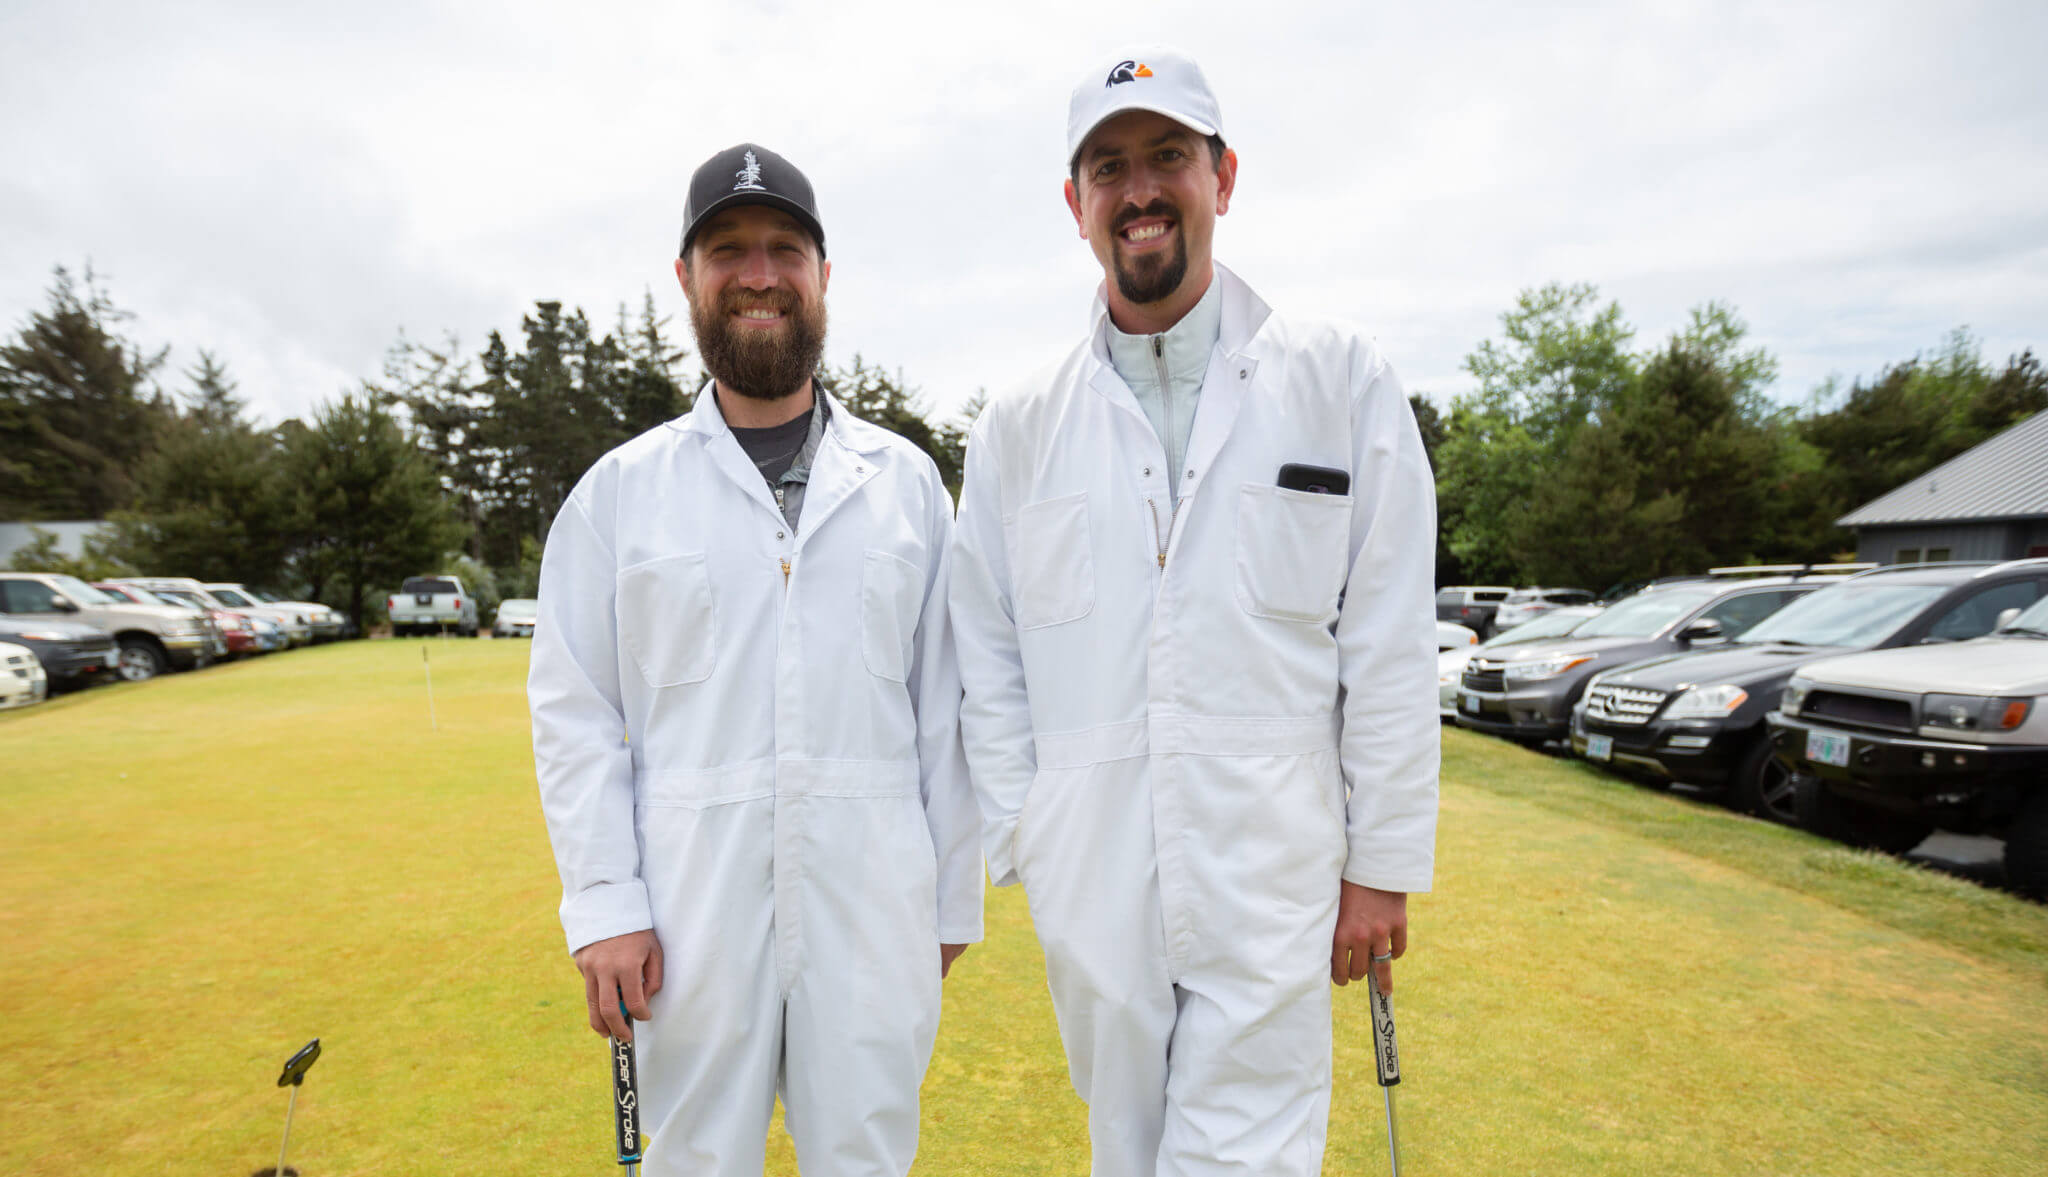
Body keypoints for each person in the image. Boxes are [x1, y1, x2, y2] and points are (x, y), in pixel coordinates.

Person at [948, 49, 1439, 1177]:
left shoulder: (1338, 378)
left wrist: (1381, 860)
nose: (1140, 190)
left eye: (1167, 155)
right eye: (1108, 167)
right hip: (1091, 872)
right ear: (1074, 202)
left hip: (1272, 863)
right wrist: (1030, 832)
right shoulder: (1018, 425)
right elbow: (986, 648)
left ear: (1222, 175)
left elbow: (1389, 641)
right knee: (1122, 1149)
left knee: (1248, 1156)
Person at [529, 142, 982, 1177]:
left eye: (785, 248)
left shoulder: (908, 486)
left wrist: (950, 901)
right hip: (685, 915)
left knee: (866, 1159)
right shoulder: (618, 495)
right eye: (727, 250)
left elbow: (946, 709)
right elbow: (575, 712)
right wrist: (604, 906)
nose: (759, 274)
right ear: (686, 277)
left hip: (873, 909)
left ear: (823, 274)